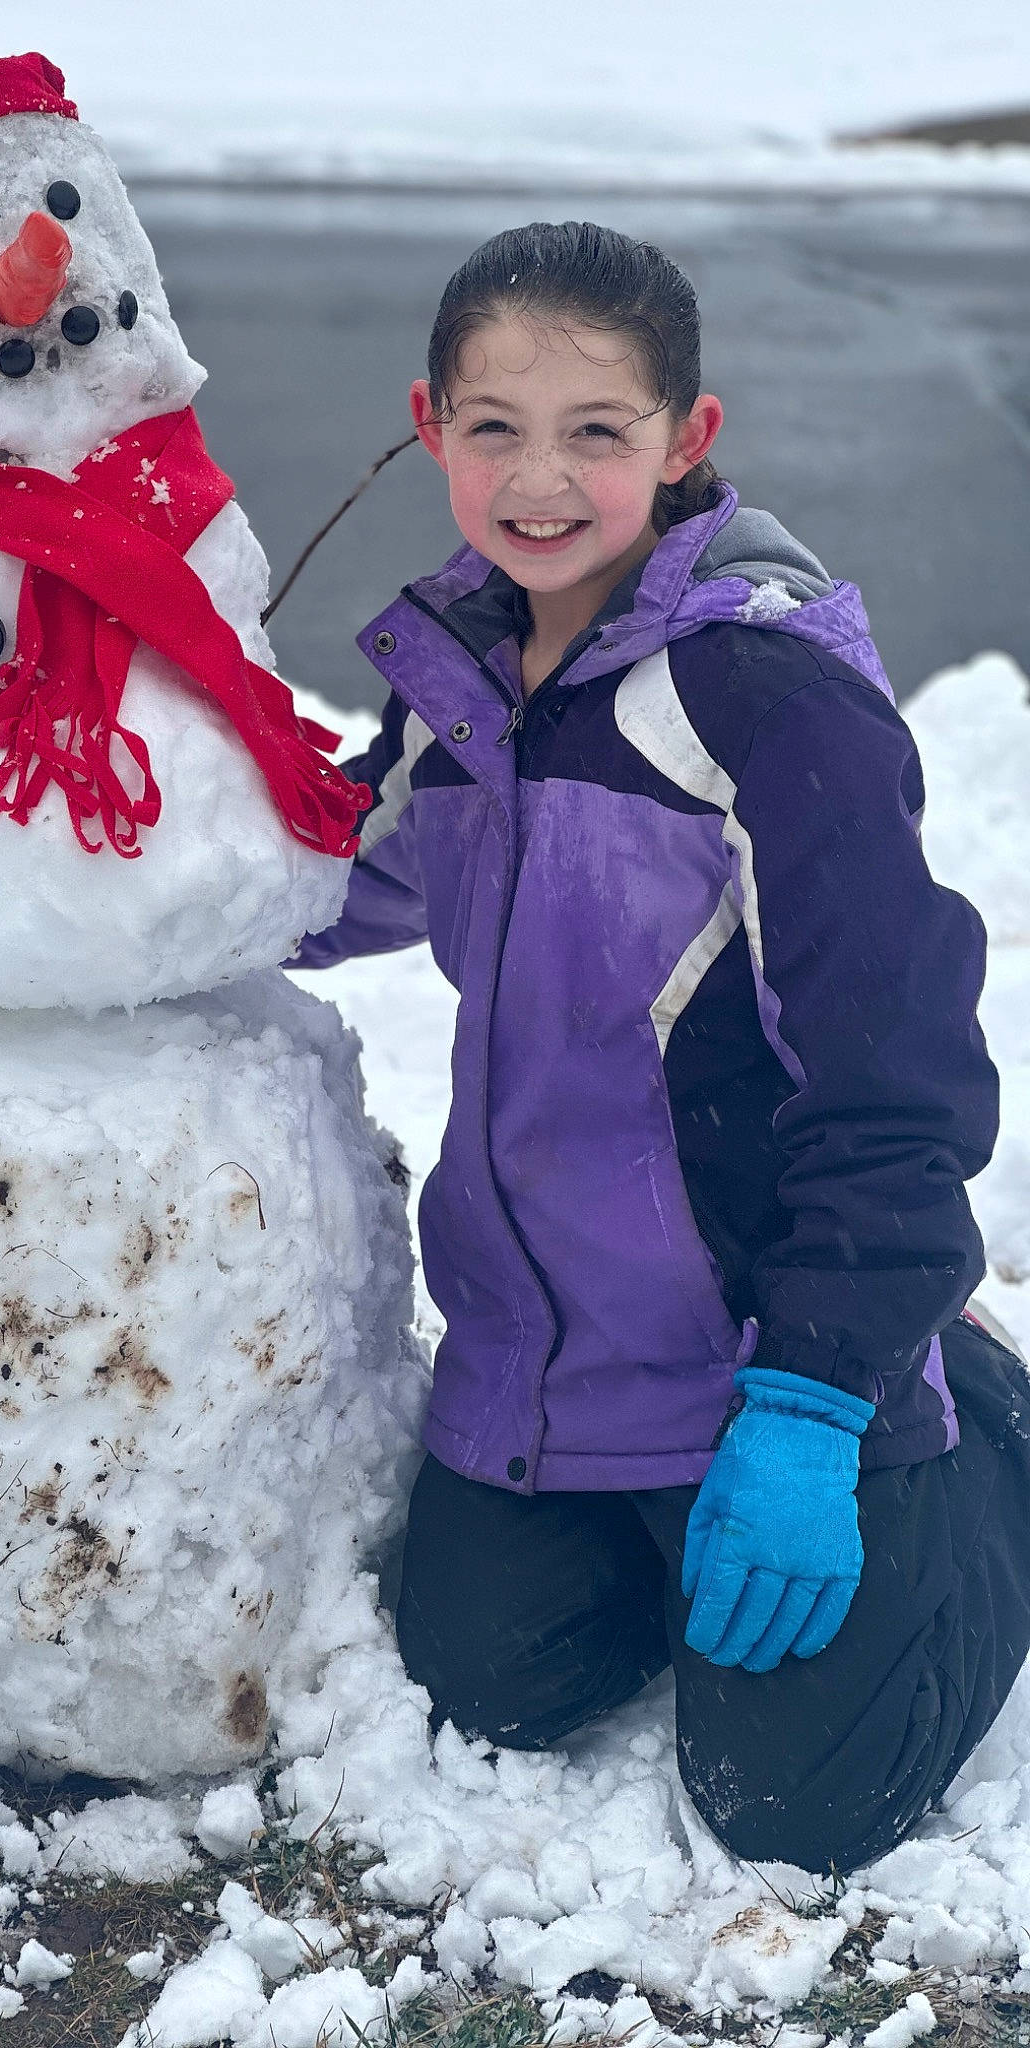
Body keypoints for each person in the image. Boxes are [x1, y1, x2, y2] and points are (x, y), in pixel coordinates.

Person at [292, 221, 1030, 1875]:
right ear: (432, 424)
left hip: (771, 1347)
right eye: (494, 426)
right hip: (551, 1364)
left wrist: (818, 1402)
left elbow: (900, 1078)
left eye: (597, 432)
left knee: (799, 1806)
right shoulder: (469, 677)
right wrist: (99, 871)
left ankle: (982, 1431)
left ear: (688, 441)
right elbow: (340, 873)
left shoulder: (767, 701)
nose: (538, 478)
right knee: (494, 1683)